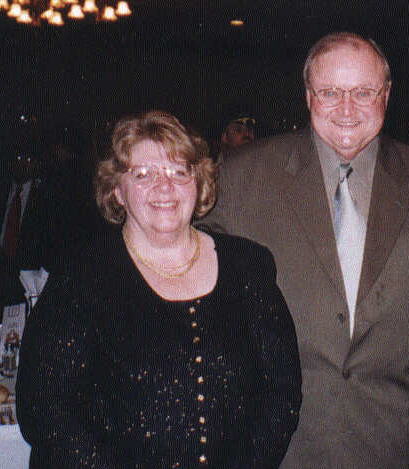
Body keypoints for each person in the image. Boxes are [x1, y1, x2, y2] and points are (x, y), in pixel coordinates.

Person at [202, 32, 409, 469]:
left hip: (392, 444)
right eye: (330, 93)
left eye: (362, 92)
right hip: (273, 446)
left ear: (387, 94)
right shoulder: (243, 178)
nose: (346, 109)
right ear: (307, 95)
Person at [17, 110, 302, 469]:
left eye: (179, 171)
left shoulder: (248, 267)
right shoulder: (80, 279)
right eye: (143, 174)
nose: (164, 187)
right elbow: (45, 411)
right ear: (117, 190)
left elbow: (281, 391)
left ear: (200, 182)